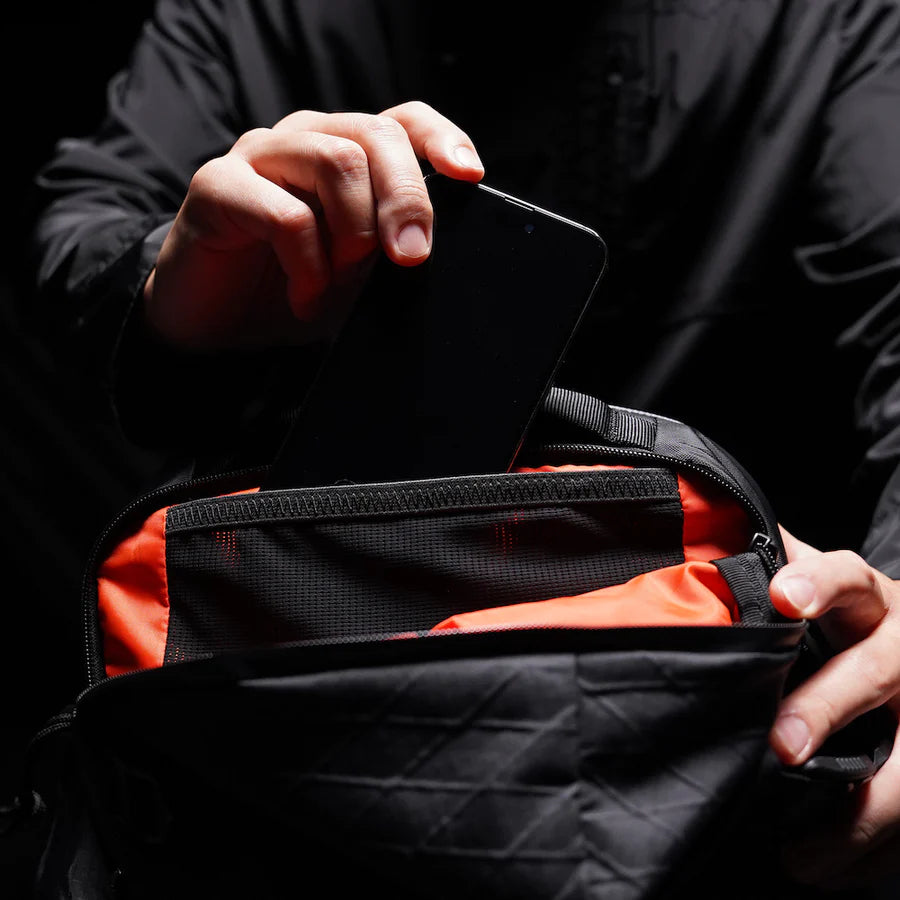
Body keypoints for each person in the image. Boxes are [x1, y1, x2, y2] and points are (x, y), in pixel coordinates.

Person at [29, 0, 900, 893]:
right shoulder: (252, 15)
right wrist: (173, 287)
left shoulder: (829, 22)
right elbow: (87, 220)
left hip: (722, 758)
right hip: (287, 741)